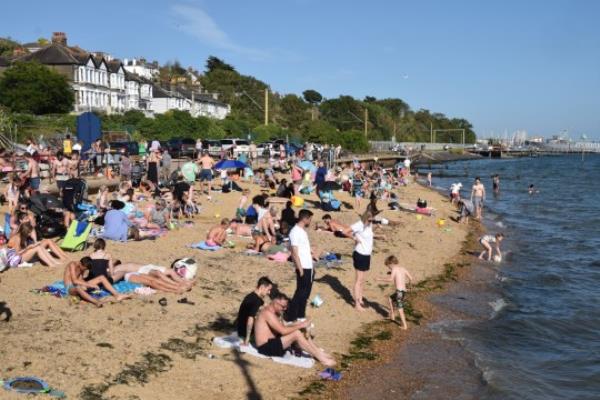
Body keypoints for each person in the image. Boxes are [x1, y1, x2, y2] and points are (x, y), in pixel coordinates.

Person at [254, 292, 336, 367]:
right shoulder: (267, 313)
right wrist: (300, 325)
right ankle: (320, 358)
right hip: (265, 347)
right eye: (283, 306)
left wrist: (299, 324)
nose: (285, 309)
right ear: (275, 303)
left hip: (273, 342)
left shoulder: (276, 312)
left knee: (301, 330)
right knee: (296, 334)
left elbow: (284, 325)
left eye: (286, 306)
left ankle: (319, 352)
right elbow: (283, 330)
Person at [286, 209, 315, 322]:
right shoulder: (295, 232)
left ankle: (301, 316)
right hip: (303, 267)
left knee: (305, 293)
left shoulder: (302, 231)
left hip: (309, 266)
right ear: (305, 219)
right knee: (300, 293)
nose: (310, 222)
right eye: (310, 219)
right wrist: (300, 269)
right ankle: (292, 317)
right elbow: (294, 252)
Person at [64, 257, 130, 307]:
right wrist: (90, 285)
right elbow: (74, 281)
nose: (85, 270)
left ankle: (117, 295)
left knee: (101, 277)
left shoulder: (82, 267)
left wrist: (87, 284)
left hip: (80, 285)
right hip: (70, 287)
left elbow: (81, 280)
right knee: (78, 287)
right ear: (81, 264)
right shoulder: (72, 264)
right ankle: (96, 302)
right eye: (85, 269)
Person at [377, 255, 413, 330]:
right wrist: (409, 287)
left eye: (388, 266)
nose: (389, 268)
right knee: (390, 299)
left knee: (400, 309)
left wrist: (380, 279)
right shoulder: (402, 268)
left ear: (391, 264)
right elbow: (411, 278)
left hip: (399, 292)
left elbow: (390, 279)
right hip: (403, 291)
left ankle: (404, 326)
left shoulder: (394, 269)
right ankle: (392, 314)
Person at [112, 262, 192, 293]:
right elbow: (113, 278)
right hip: (136, 273)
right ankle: (176, 288)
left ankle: (179, 285)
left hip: (141, 269)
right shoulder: (116, 270)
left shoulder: (118, 266)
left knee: (156, 279)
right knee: (154, 279)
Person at [237, 276, 273, 345]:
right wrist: (247, 340)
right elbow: (250, 318)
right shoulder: (255, 301)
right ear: (262, 287)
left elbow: (267, 306)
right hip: (246, 334)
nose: (269, 292)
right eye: (268, 289)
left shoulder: (253, 296)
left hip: (241, 330)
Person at [351, 211, 374, 311]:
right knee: (358, 280)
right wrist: (354, 238)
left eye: (372, 220)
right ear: (365, 218)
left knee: (362, 280)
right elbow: (345, 231)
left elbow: (369, 237)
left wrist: (380, 236)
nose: (371, 221)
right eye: (369, 220)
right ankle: (357, 304)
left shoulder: (369, 225)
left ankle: (360, 299)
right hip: (359, 254)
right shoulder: (359, 224)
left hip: (366, 254)